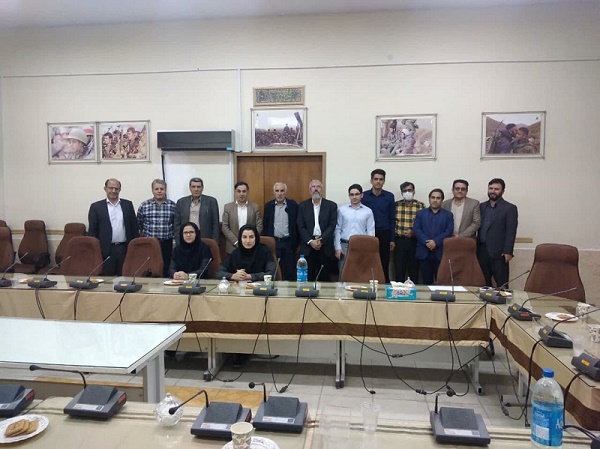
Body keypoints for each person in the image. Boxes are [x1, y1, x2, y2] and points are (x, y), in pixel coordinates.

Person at [88, 178, 139, 276]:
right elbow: (93, 231)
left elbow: (134, 228)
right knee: (107, 279)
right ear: (105, 189)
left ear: (120, 190)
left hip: (124, 249)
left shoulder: (127, 205)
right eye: (111, 188)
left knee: (125, 277)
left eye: (116, 188)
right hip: (105, 250)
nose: (113, 191)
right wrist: (95, 251)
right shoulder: (96, 207)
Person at [477, 178, 519, 287]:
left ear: (502, 191)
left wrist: (508, 251)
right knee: (483, 285)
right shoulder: (481, 206)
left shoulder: (510, 208)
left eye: (496, 189)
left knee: (502, 286)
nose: (493, 191)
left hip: (499, 254)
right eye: (490, 188)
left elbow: (511, 231)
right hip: (482, 252)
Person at [297, 179, 338, 281]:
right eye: (313, 187)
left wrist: (321, 240)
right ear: (309, 190)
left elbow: (332, 225)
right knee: (308, 278)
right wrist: (311, 241)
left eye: (318, 187)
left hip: (324, 246)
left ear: (322, 190)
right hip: (308, 247)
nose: (316, 189)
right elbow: (300, 226)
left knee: (324, 278)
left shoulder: (331, 206)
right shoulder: (302, 206)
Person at [361, 168, 396, 282]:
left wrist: (392, 239)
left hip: (384, 233)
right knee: (368, 261)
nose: (378, 181)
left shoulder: (389, 196)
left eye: (381, 179)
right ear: (371, 181)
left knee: (384, 262)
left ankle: (384, 284)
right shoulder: (364, 196)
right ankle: (368, 283)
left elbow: (392, 218)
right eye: (376, 179)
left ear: (384, 181)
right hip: (368, 234)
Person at [414, 189, 454, 285]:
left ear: (442, 200)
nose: (435, 200)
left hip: (440, 252)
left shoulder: (448, 215)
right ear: (429, 199)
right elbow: (417, 229)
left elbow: (448, 231)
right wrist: (427, 242)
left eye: (438, 198)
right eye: (433, 197)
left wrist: (435, 242)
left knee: (441, 282)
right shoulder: (420, 214)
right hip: (424, 251)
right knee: (426, 282)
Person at [137, 179, 176, 277]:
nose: (159, 191)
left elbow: (175, 224)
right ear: (152, 190)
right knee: (150, 268)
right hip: (149, 244)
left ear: (165, 190)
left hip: (166, 243)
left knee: (166, 268)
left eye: (162, 189)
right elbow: (139, 224)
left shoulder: (172, 205)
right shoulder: (144, 205)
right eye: (156, 189)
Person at [334, 184, 375, 274]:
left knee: (360, 273)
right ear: (349, 196)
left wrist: (368, 249)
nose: (354, 197)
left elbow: (370, 231)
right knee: (343, 273)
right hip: (345, 246)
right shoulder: (342, 210)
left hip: (362, 246)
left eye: (357, 194)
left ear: (362, 195)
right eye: (351, 194)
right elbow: (337, 229)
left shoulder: (368, 211)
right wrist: (337, 247)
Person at [262, 182, 299, 281]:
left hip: (288, 242)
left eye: (282, 191)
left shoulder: (293, 205)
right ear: (274, 192)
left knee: (290, 271)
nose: (279, 193)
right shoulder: (268, 206)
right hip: (274, 242)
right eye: (277, 191)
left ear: (285, 192)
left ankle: (290, 289)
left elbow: (297, 225)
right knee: (275, 270)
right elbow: (265, 225)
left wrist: (296, 243)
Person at [393, 182, 426, 282]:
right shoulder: (396, 205)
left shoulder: (420, 206)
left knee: (413, 270)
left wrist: (414, 233)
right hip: (399, 241)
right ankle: (398, 290)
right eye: (405, 191)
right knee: (399, 270)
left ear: (414, 191)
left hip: (414, 241)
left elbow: (424, 224)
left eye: (409, 190)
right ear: (401, 193)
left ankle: (413, 290)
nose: (407, 192)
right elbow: (392, 222)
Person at [174, 177, 220, 244]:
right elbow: (177, 224)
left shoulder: (211, 201)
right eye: (193, 187)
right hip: (186, 238)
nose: (196, 189)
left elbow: (215, 224)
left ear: (202, 188)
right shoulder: (181, 202)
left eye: (198, 187)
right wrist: (178, 242)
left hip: (205, 239)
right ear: (190, 188)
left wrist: (215, 242)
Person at [222, 182, 263, 255]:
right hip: (232, 246)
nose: (241, 194)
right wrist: (236, 241)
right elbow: (225, 227)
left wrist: (249, 240)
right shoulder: (228, 207)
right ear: (235, 192)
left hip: (251, 246)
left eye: (244, 191)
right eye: (239, 191)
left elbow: (259, 226)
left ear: (247, 192)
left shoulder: (255, 207)